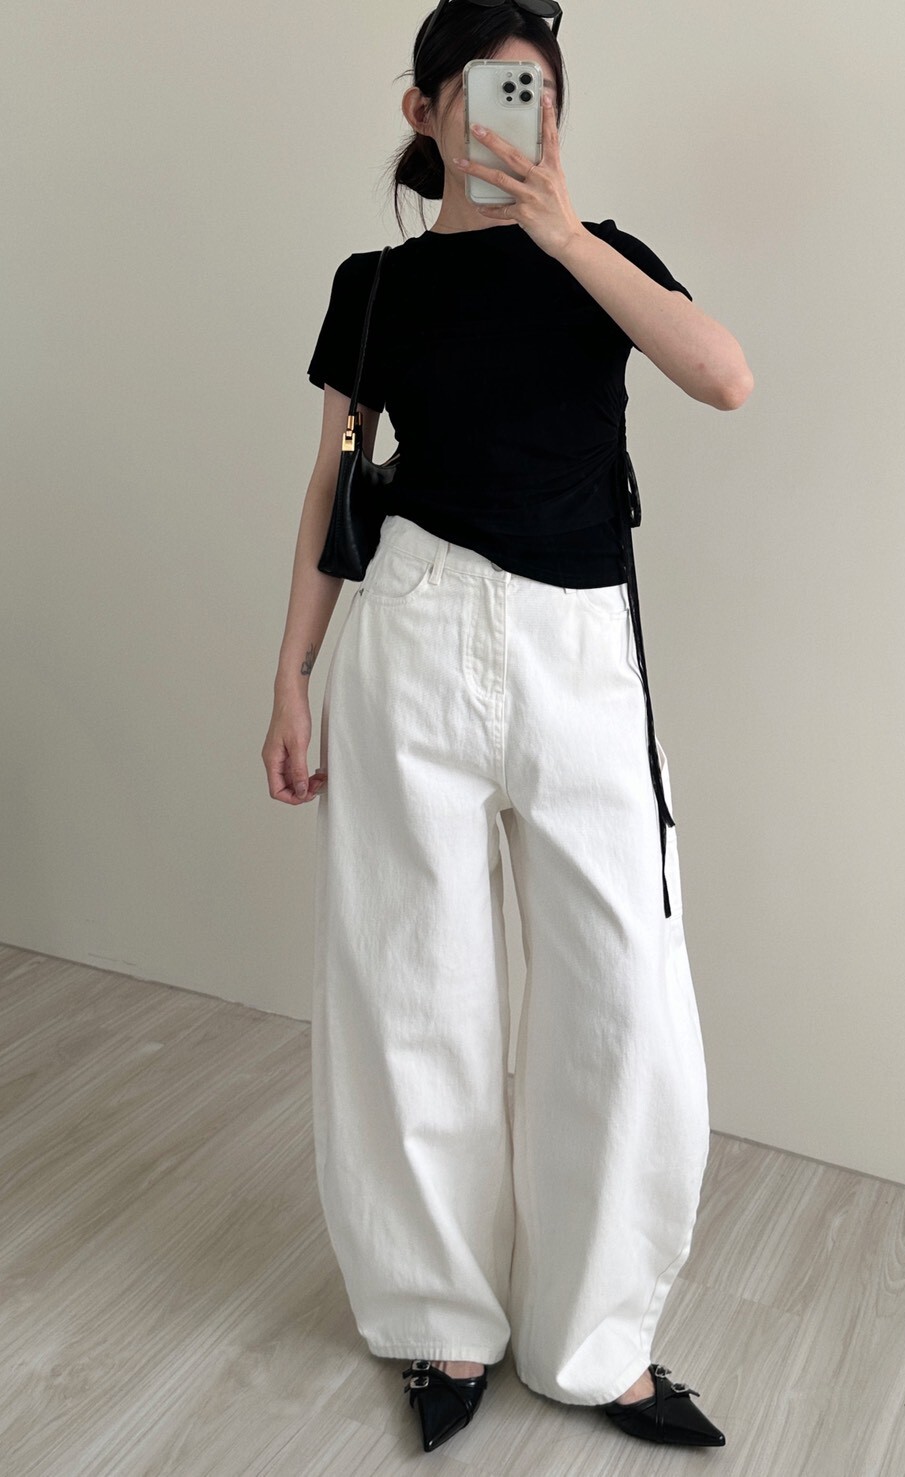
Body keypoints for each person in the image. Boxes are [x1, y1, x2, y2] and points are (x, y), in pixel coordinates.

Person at [262, 0, 753, 1455]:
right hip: (410, 627)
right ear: (426, 112)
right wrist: (290, 674)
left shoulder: (606, 257)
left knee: (625, 991)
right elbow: (332, 486)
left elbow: (724, 375)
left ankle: (597, 1343)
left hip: (579, 650)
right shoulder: (374, 288)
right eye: (484, 89)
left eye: (535, 91)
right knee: (412, 980)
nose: (510, 115)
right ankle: (438, 1319)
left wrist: (564, 235)